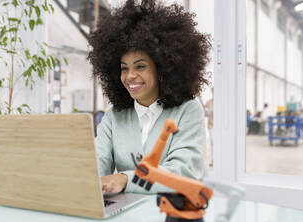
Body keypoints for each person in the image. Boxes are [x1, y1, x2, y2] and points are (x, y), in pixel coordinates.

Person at [87, 0, 211, 194]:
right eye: (124, 68)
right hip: (127, 217)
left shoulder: (187, 111)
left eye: (140, 66)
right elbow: (97, 162)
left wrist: (125, 178)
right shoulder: (114, 116)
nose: (130, 76)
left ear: (162, 68)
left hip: (172, 216)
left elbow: (183, 171)